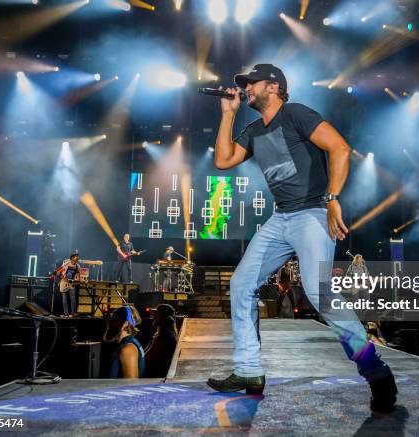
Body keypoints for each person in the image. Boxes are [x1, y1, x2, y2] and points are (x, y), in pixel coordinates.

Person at [205, 64, 397, 412]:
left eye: (252, 84)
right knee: (241, 283)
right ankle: (248, 370)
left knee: (319, 292)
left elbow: (339, 148)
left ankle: (375, 371)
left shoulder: (296, 114)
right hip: (281, 217)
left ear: (274, 86)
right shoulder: (252, 130)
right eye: (244, 85)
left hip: (311, 213)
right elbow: (222, 160)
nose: (246, 89)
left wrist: (333, 199)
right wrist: (227, 114)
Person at [103, 306, 145, 378]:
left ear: (126, 324)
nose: (109, 322)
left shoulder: (128, 349)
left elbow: (130, 386)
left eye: (114, 319)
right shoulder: (127, 343)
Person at [144, 304, 178, 378]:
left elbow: (149, 356)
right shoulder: (160, 333)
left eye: (157, 314)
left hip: (155, 375)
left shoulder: (165, 335)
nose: (154, 316)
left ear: (164, 317)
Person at [59, 252, 80, 317]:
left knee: (73, 299)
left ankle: (72, 313)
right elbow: (59, 273)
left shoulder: (77, 266)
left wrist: (79, 280)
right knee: (64, 299)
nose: (78, 258)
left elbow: (79, 275)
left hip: (71, 283)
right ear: (72, 258)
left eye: (77, 257)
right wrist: (65, 279)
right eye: (76, 257)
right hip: (64, 283)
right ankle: (66, 314)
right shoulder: (66, 264)